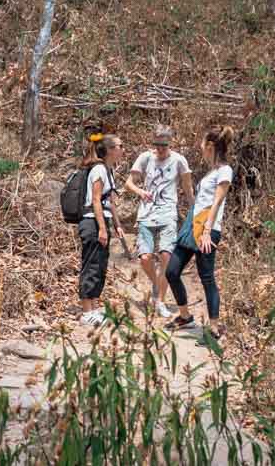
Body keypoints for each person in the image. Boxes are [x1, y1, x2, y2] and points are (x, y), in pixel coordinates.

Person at [164, 126, 235, 343]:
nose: (201, 148)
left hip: (207, 229)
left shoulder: (225, 171)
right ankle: (185, 316)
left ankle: (214, 329)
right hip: (191, 225)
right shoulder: (211, 172)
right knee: (172, 271)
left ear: (211, 146)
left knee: (207, 278)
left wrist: (206, 232)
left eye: (203, 144)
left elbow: (216, 203)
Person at [125, 125, 194, 318]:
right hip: (146, 215)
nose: (160, 149)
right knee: (145, 258)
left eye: (163, 145)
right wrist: (140, 191)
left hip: (167, 214)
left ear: (170, 142)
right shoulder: (146, 158)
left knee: (166, 256)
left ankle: (160, 301)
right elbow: (129, 182)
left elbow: (188, 189)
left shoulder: (179, 160)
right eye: (157, 145)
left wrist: (194, 212)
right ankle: (156, 283)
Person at [78, 132, 125, 326]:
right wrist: (102, 229)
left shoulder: (108, 170)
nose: (122, 150)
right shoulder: (98, 170)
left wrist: (117, 224)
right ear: (109, 150)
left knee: (100, 266)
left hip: (102, 221)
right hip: (93, 223)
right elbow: (96, 200)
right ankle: (86, 311)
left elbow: (109, 202)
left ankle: (95, 307)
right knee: (91, 265)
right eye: (119, 146)